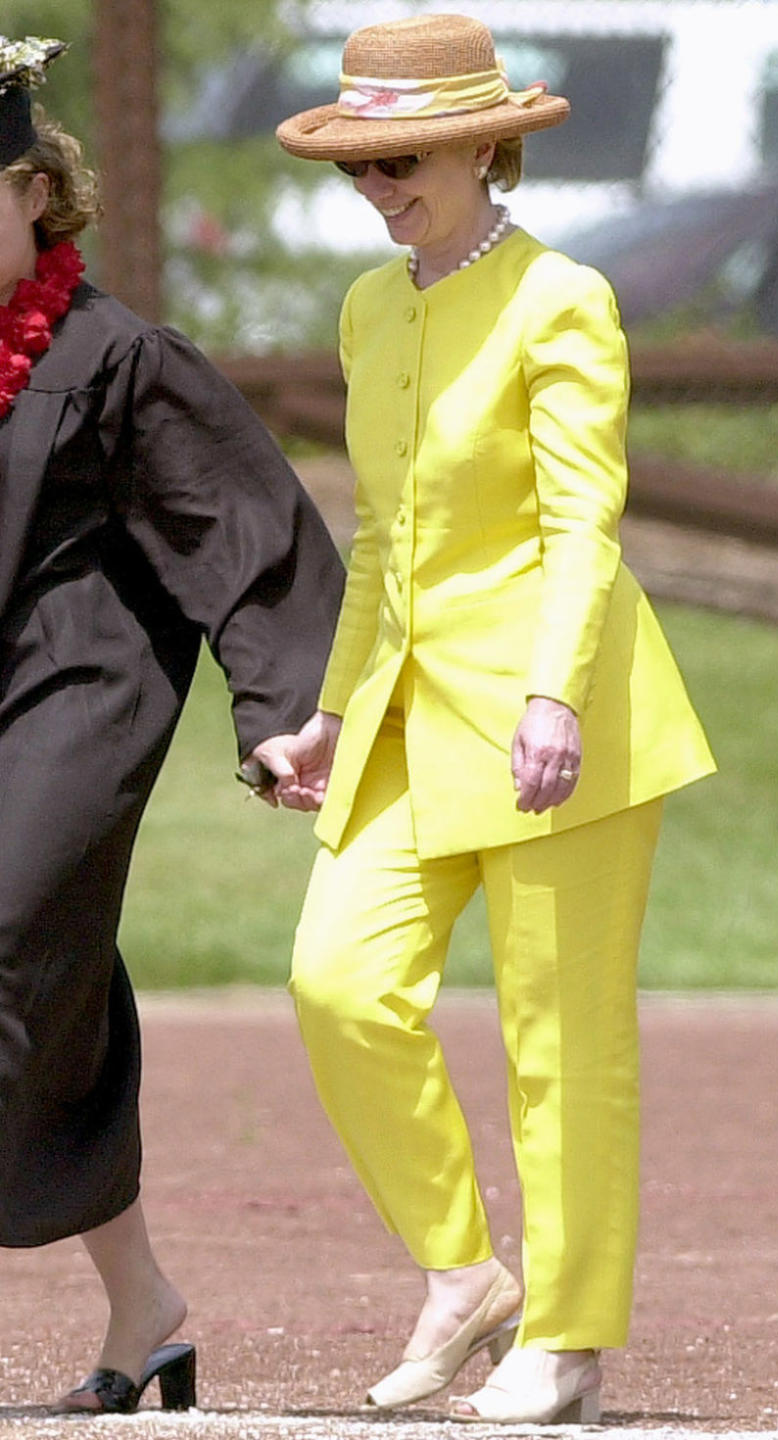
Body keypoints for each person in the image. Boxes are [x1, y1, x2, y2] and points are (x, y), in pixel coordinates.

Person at [271, 12, 715, 1425]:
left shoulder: (562, 298)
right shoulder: (369, 309)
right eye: (357, 167)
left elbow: (587, 518)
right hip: (410, 721)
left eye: (398, 160)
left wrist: (549, 695)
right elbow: (385, 541)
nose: (377, 188)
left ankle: (568, 1338)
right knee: (338, 980)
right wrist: (334, 715)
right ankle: (464, 1274)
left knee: (559, 1039)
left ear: (481, 145)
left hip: (557, 720)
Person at [0, 37, 344, 1415]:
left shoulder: (115, 355)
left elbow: (235, 519)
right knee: (50, 975)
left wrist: (282, 708)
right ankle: (145, 1308)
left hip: (83, 686)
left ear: (32, 188)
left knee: (10, 927)